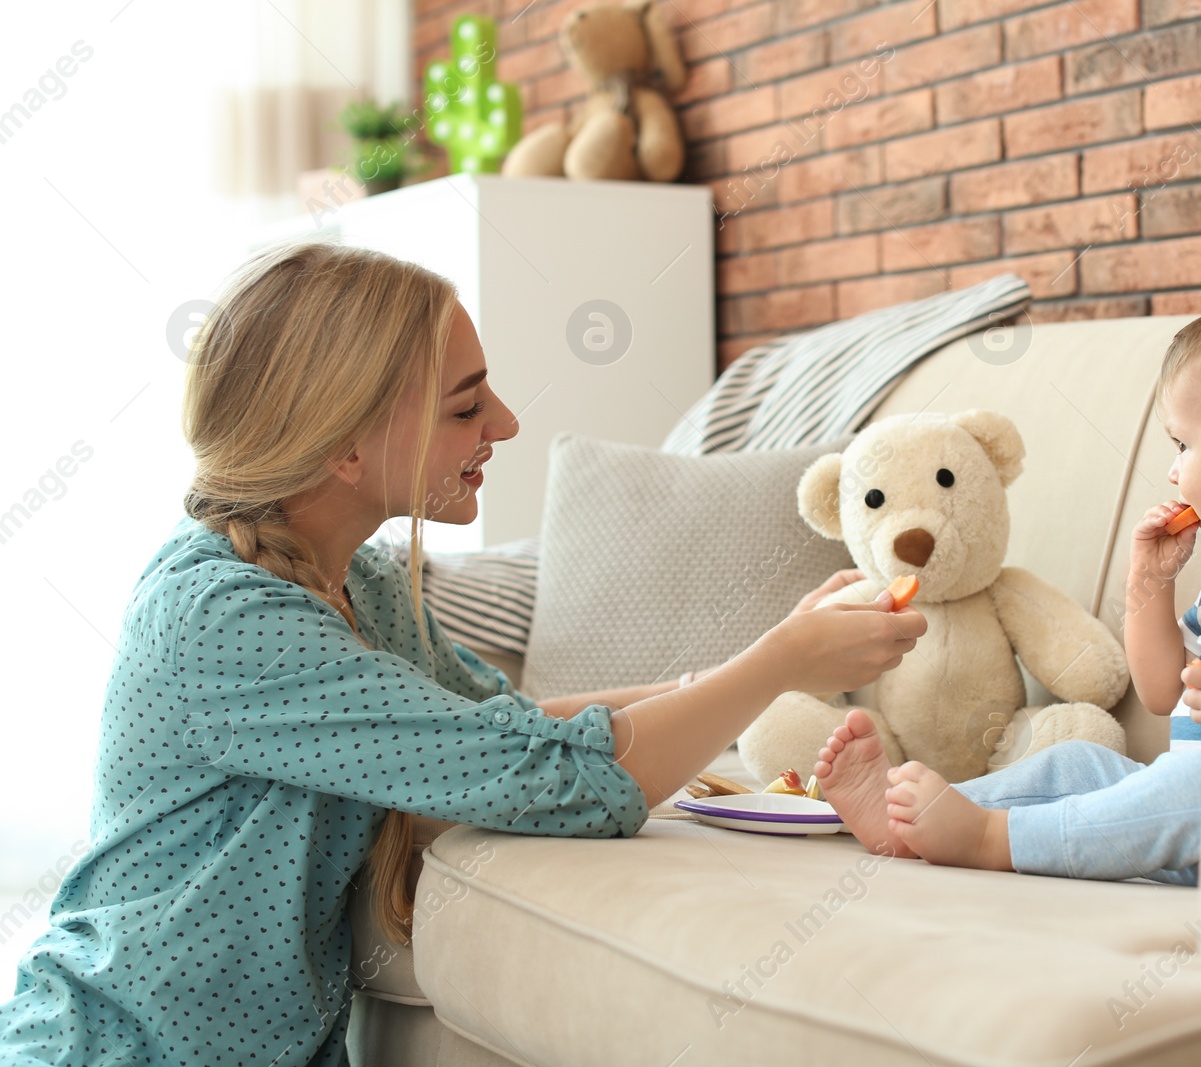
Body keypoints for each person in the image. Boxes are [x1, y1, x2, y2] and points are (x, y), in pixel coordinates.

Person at [0, 240, 925, 1067]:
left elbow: (507, 727)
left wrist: (766, 662)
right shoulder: (229, 620)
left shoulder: (357, 582)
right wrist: (772, 666)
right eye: (465, 404)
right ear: (344, 445)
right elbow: (552, 780)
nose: (509, 424)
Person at [816, 278, 1201, 884]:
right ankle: (925, 817)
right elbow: (1163, 692)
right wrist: (1151, 584)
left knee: (1195, 781)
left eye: (1183, 444)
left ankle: (987, 838)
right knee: (1075, 764)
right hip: (1183, 809)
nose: (1172, 472)